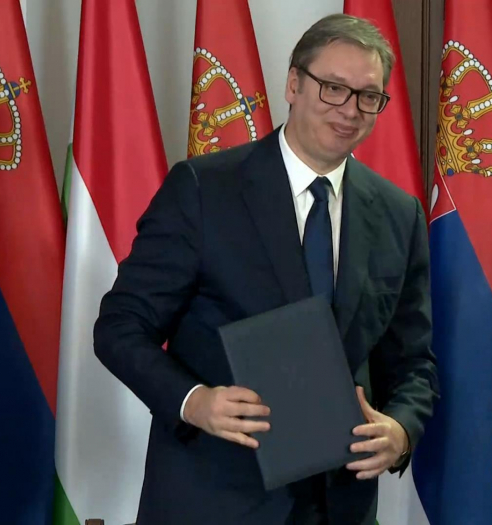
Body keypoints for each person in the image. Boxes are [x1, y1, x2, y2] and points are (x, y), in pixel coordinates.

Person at [94, 14, 438, 525]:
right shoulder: (203, 190)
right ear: (293, 84)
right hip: (214, 500)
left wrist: (401, 430)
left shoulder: (399, 213)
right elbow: (120, 328)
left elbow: (414, 363)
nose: (350, 110)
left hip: (341, 507)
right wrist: (194, 401)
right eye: (333, 88)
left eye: (368, 96)